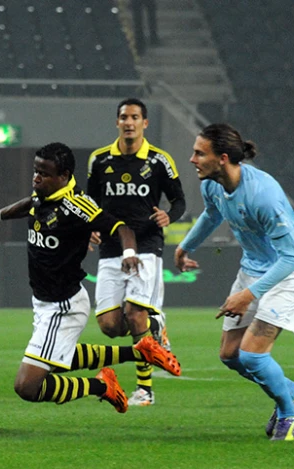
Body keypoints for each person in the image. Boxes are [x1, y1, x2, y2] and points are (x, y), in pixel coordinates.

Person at [0, 142, 180, 414]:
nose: (36, 178)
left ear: (64, 176)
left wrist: (129, 252)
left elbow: (121, 227)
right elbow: (28, 205)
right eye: (36, 171)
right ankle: (141, 351)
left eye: (44, 174)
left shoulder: (77, 206)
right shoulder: (43, 195)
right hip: (45, 302)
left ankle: (102, 386)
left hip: (63, 306)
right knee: (59, 360)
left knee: (27, 386)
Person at [174, 123, 294, 441]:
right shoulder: (212, 184)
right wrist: (185, 246)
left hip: (290, 272)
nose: (192, 159)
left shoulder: (264, 196)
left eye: (199, 153)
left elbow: (290, 257)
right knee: (230, 355)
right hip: (254, 268)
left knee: (252, 355)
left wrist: (248, 295)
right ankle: (289, 389)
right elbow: (212, 214)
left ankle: (288, 413)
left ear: (222, 158)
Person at [87, 98, 186, 407]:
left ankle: (145, 389)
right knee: (110, 326)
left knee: (135, 313)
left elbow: (179, 200)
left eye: (134, 117)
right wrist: (88, 225)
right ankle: (158, 326)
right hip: (110, 247)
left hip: (146, 244)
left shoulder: (159, 160)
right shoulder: (99, 160)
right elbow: (90, 202)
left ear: (145, 123)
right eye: (123, 117)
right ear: (117, 122)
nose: (128, 122)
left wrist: (171, 215)